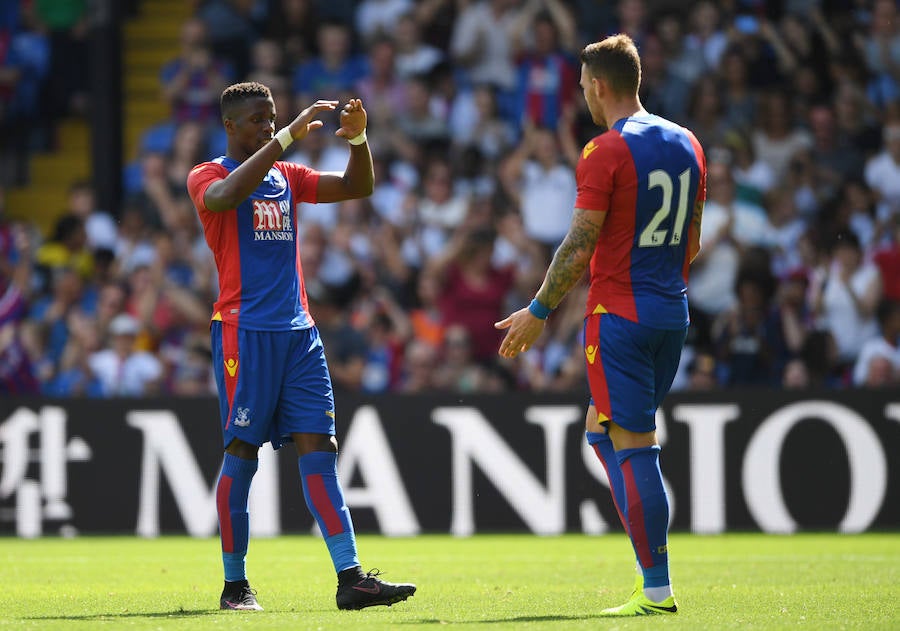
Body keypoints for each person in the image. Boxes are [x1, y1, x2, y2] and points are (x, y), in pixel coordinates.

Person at [495, 34, 706, 616]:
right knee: (601, 429)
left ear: (599, 86)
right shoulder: (689, 143)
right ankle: (649, 570)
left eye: (584, 86)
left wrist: (538, 312)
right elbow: (693, 240)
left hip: (619, 316)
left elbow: (578, 243)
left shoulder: (604, 150)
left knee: (636, 443)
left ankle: (657, 588)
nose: (583, 95)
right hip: (672, 312)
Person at [186, 82, 415, 612]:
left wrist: (358, 141)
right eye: (255, 120)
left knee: (321, 450)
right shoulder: (208, 174)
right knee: (241, 454)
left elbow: (358, 188)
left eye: (271, 117)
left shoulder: (285, 177)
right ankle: (234, 585)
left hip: (299, 334)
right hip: (244, 332)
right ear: (229, 126)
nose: (267, 125)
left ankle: (351, 578)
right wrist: (288, 136)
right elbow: (222, 200)